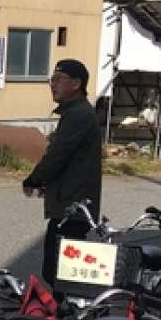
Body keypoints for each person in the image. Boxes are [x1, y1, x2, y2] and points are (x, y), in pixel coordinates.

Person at [22, 59, 102, 286]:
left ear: (76, 84)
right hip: (72, 203)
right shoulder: (76, 113)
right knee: (61, 271)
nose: (52, 85)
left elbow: (58, 154)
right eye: (51, 80)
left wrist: (34, 179)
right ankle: (64, 313)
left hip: (73, 206)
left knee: (60, 272)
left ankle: (65, 316)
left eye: (58, 79)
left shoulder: (78, 115)